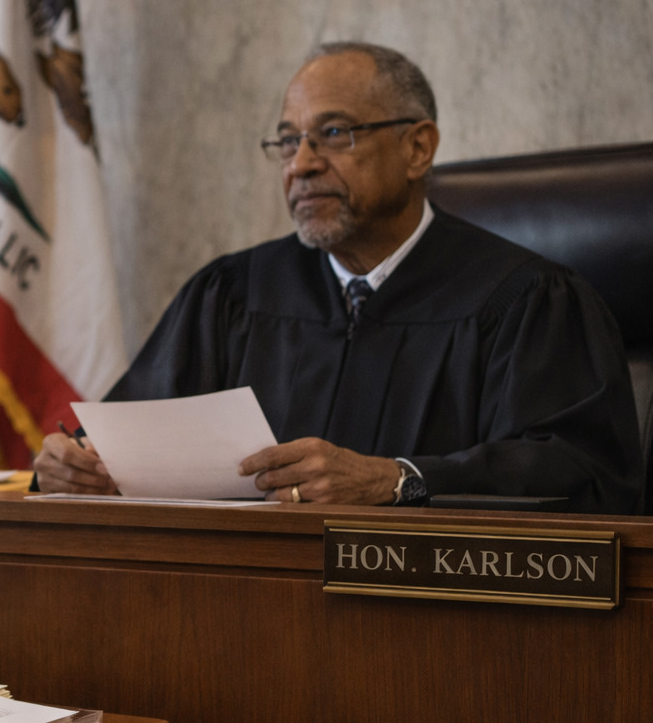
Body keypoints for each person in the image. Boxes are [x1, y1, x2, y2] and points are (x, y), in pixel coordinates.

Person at [34, 41, 642, 513]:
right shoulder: (233, 295)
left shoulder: (525, 301)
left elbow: (584, 477)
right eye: (288, 140)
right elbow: (115, 439)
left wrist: (397, 480)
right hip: (235, 618)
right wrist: (69, 467)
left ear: (417, 149)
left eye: (333, 133)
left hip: (435, 630)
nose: (300, 164)